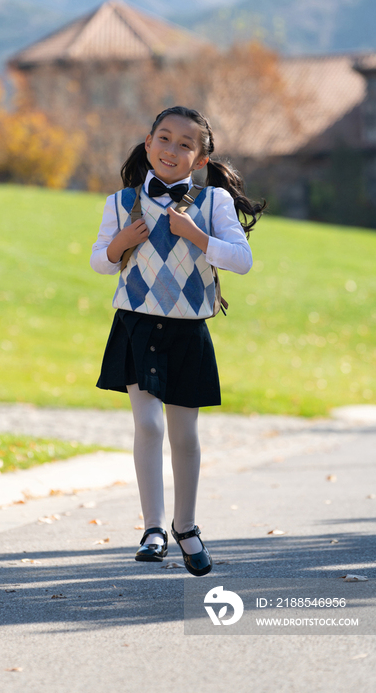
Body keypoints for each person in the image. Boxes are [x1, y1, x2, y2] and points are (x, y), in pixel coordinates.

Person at [90, 106, 265, 576]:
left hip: (188, 331)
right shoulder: (121, 202)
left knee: (183, 435)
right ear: (148, 144)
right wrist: (119, 241)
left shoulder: (214, 206)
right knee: (147, 426)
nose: (171, 149)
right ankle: (153, 528)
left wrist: (199, 237)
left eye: (185, 144)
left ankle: (185, 527)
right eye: (163, 139)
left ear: (200, 160)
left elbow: (242, 260)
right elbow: (101, 263)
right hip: (136, 326)